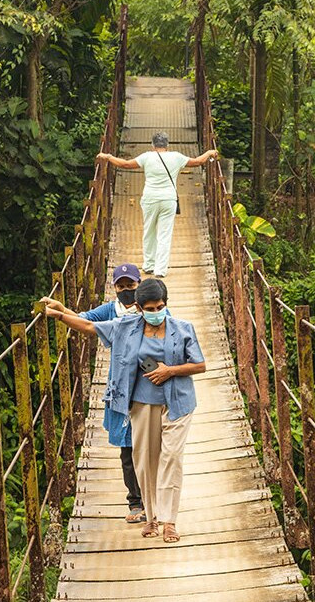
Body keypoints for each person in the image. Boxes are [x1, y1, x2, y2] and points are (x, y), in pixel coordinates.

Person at [44, 278, 205, 543]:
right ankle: (151, 517)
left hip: (178, 402)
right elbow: (89, 326)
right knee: (145, 460)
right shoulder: (126, 327)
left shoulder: (183, 328)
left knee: (171, 458)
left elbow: (199, 365)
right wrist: (60, 315)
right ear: (139, 308)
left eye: (160, 307)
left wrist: (170, 371)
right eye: (150, 309)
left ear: (166, 304)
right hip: (143, 403)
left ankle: (169, 521)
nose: (156, 313)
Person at [41, 263, 146, 523]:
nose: (126, 290)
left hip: (146, 385)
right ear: (114, 288)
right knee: (127, 448)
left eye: (130, 285)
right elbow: (86, 322)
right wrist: (61, 309)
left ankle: (153, 500)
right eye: (121, 286)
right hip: (121, 386)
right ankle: (135, 502)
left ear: (139, 285)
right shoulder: (111, 311)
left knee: (149, 447)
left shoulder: (150, 307)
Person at [96, 132, 217, 278]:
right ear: (167, 145)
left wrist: (108, 157)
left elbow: (125, 164)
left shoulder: (147, 157)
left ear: (152, 145)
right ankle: (160, 270)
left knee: (149, 231)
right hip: (168, 200)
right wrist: (209, 153)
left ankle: (149, 265)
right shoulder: (176, 157)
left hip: (150, 199)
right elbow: (197, 162)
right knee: (164, 235)